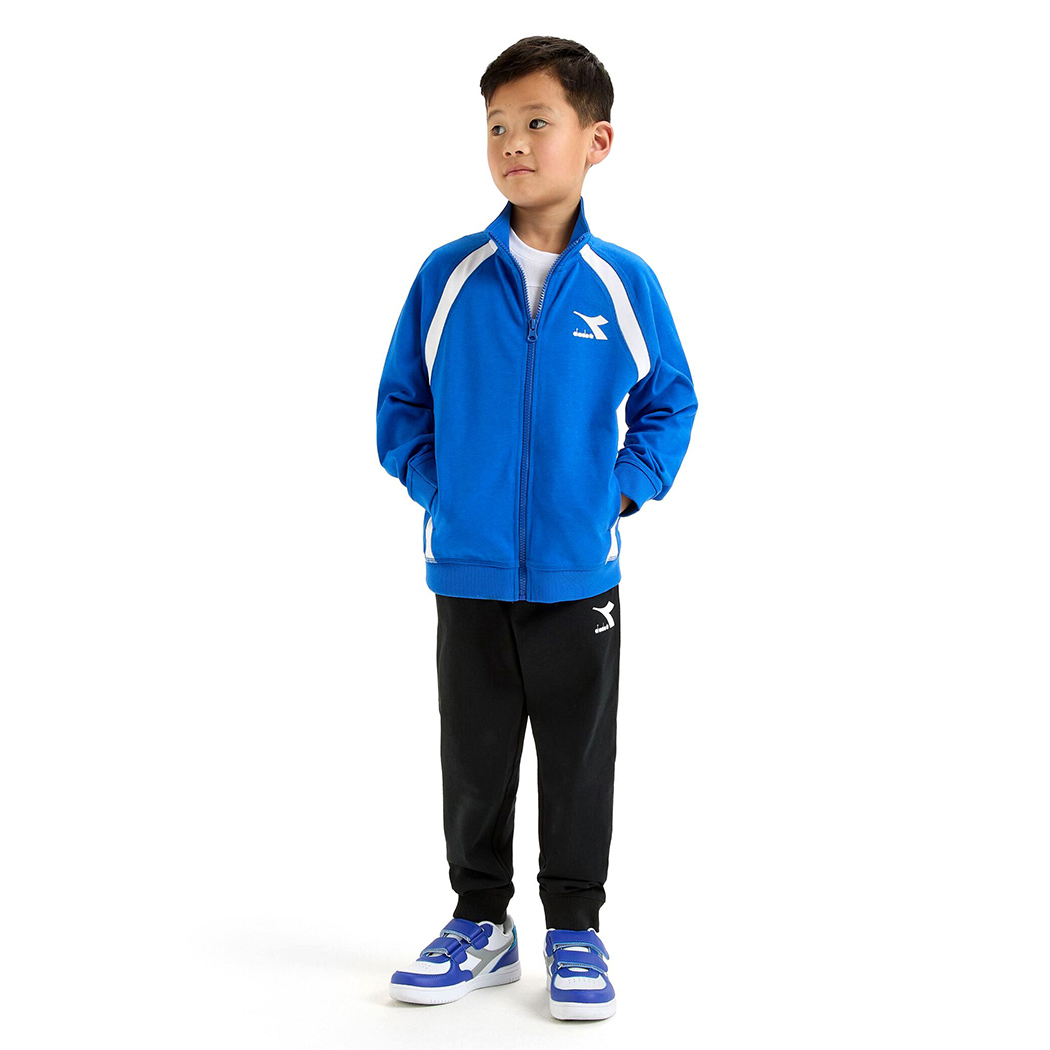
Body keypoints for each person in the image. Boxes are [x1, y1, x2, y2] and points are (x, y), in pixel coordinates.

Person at [375, 35, 698, 1021]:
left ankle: (576, 930)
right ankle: (481, 921)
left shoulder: (623, 284)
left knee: (577, 756)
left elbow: (670, 403)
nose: (512, 142)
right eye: (496, 126)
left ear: (596, 141)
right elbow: (400, 406)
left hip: (577, 573)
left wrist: (620, 493)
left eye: (536, 122)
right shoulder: (448, 275)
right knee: (474, 755)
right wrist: (444, 491)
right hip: (468, 569)